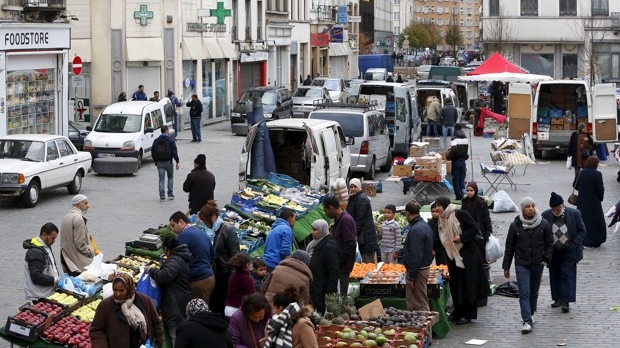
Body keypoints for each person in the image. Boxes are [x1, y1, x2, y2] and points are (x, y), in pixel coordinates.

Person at [503, 197, 554, 334]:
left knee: (534, 291)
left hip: (538, 263)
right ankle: (527, 321)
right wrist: (506, 266)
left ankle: (531, 312)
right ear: (523, 209)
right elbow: (510, 247)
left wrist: (546, 258)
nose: (531, 209)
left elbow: (550, 244)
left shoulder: (543, 224)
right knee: (524, 292)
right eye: (527, 206)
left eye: (533, 206)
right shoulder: (515, 226)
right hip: (522, 263)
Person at [435, 197, 488, 325]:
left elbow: (474, 228)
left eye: (438, 205)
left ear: (445, 205)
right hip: (453, 256)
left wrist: (462, 237)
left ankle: (468, 314)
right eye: (435, 206)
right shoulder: (441, 219)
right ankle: (458, 311)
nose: (436, 208)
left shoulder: (459, 214)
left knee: (468, 285)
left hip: (467, 255)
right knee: (455, 284)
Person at [90, 273, 164, 348]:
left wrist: (156, 344)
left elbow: (156, 324)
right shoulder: (106, 305)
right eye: (115, 290)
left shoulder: (145, 301)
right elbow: (96, 330)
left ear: (129, 288)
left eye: (121, 290)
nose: (117, 294)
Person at [542, 192, 586, 314]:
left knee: (567, 274)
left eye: (558, 209)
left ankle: (566, 301)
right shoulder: (546, 215)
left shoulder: (574, 214)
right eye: (554, 210)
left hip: (569, 249)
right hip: (553, 250)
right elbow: (543, 232)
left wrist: (575, 244)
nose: (556, 211)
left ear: (563, 205)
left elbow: (582, 231)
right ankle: (557, 298)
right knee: (554, 273)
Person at [146, 236, 192, 345]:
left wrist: (152, 270)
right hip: (180, 299)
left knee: (175, 334)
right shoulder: (179, 258)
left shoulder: (175, 259)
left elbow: (165, 276)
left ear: (167, 248)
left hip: (175, 303)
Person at [200, 201, 240, 314]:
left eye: (205, 221)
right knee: (212, 301)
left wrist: (233, 275)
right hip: (212, 272)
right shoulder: (208, 231)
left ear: (213, 216)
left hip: (224, 274)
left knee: (220, 302)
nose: (204, 224)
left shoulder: (228, 229)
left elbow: (235, 253)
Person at [169, 211, 216, 303]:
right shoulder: (201, 232)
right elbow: (213, 255)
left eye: (173, 225)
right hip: (209, 277)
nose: (172, 229)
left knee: (197, 312)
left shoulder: (183, 236)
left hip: (198, 281)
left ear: (181, 222)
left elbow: (177, 259)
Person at [402, 200, 434, 311]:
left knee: (418, 304)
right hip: (423, 267)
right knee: (419, 300)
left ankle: (424, 326)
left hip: (418, 270)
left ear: (407, 213)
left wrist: (411, 276)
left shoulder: (416, 230)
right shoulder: (424, 225)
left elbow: (416, 255)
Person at [322, 196, 356, 296]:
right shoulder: (339, 219)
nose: (325, 213)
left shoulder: (346, 220)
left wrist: (338, 259)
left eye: (326, 210)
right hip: (340, 264)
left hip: (343, 265)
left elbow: (351, 244)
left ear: (331, 208)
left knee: (342, 292)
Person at [306, 219, 339, 314]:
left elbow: (334, 271)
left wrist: (329, 293)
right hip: (315, 286)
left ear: (322, 230)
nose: (312, 232)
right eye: (312, 229)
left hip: (322, 289)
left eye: (315, 229)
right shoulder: (313, 244)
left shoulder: (328, 247)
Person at [461, 181, 492, 279]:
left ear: (475, 191)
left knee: (480, 256)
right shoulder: (465, 202)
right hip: (468, 233)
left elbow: (486, 219)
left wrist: (488, 232)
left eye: (471, 190)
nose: (469, 192)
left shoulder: (481, 203)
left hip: (480, 233)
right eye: (468, 191)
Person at [575, 156, 606, 247]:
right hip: (594, 202)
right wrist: (600, 198)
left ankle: (584, 239)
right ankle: (596, 239)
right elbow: (600, 189)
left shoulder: (580, 172)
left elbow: (575, 185)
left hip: (582, 201)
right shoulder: (597, 174)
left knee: (583, 221)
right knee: (595, 222)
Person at [24, 222, 60, 300]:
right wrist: (56, 280)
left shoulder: (45, 246)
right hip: (39, 296)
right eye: (52, 238)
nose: (54, 241)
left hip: (45, 293)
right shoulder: (35, 252)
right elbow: (36, 277)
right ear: (44, 235)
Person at [60, 194, 94, 276]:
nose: (88, 206)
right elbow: (80, 243)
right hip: (77, 260)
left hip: (67, 257)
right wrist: (89, 252)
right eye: (85, 203)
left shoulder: (67, 216)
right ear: (78, 205)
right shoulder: (78, 219)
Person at [346, 178, 379, 263]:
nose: (353, 189)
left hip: (364, 236)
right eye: (351, 187)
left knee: (367, 263)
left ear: (359, 187)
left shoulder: (361, 199)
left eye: (355, 187)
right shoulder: (354, 198)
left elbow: (359, 220)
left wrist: (354, 235)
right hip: (362, 235)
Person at [152, 125, 180, 202]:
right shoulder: (170, 140)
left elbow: (153, 152)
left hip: (159, 162)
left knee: (161, 179)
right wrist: (177, 161)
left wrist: (155, 160)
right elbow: (174, 151)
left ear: (161, 131)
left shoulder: (156, 140)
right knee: (170, 177)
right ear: (167, 130)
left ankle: (162, 196)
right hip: (169, 162)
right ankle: (170, 194)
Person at [224, 253, 256, 318]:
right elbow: (252, 297)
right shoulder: (248, 279)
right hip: (238, 310)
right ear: (247, 265)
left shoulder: (232, 277)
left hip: (228, 309)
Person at [446, 124, 469, 200]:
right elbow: (465, 150)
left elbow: (454, 149)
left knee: (456, 179)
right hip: (463, 162)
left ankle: (458, 196)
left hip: (456, 161)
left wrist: (448, 156)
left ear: (455, 129)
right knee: (462, 179)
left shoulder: (454, 139)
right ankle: (463, 194)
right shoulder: (465, 139)